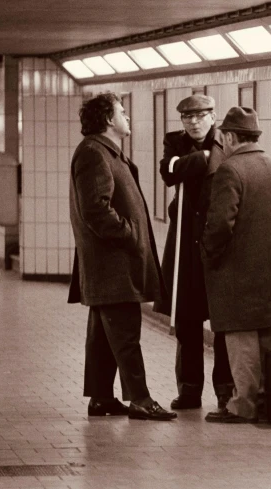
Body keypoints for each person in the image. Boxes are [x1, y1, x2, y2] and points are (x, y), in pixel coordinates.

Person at [68, 92, 177, 421]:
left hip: (112, 263)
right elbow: (95, 209)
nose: (128, 117)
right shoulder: (94, 154)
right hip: (111, 263)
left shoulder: (105, 152)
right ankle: (141, 400)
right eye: (122, 112)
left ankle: (101, 397)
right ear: (107, 120)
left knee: (104, 335)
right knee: (126, 334)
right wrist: (129, 233)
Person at [201, 106, 271, 423]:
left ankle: (243, 404)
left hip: (234, 271)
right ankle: (266, 399)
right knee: (263, 336)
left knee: (239, 339)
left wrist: (209, 253)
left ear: (228, 136)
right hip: (267, 268)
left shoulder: (230, 170)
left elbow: (221, 224)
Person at [154, 94, 234, 411]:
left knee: (223, 321)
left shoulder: (227, 142)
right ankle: (189, 389)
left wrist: (189, 163)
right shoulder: (175, 141)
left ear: (213, 116)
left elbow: (181, 169)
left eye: (200, 116)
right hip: (186, 241)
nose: (194, 122)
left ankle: (225, 391)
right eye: (187, 118)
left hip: (217, 242)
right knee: (187, 321)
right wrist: (198, 160)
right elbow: (168, 172)